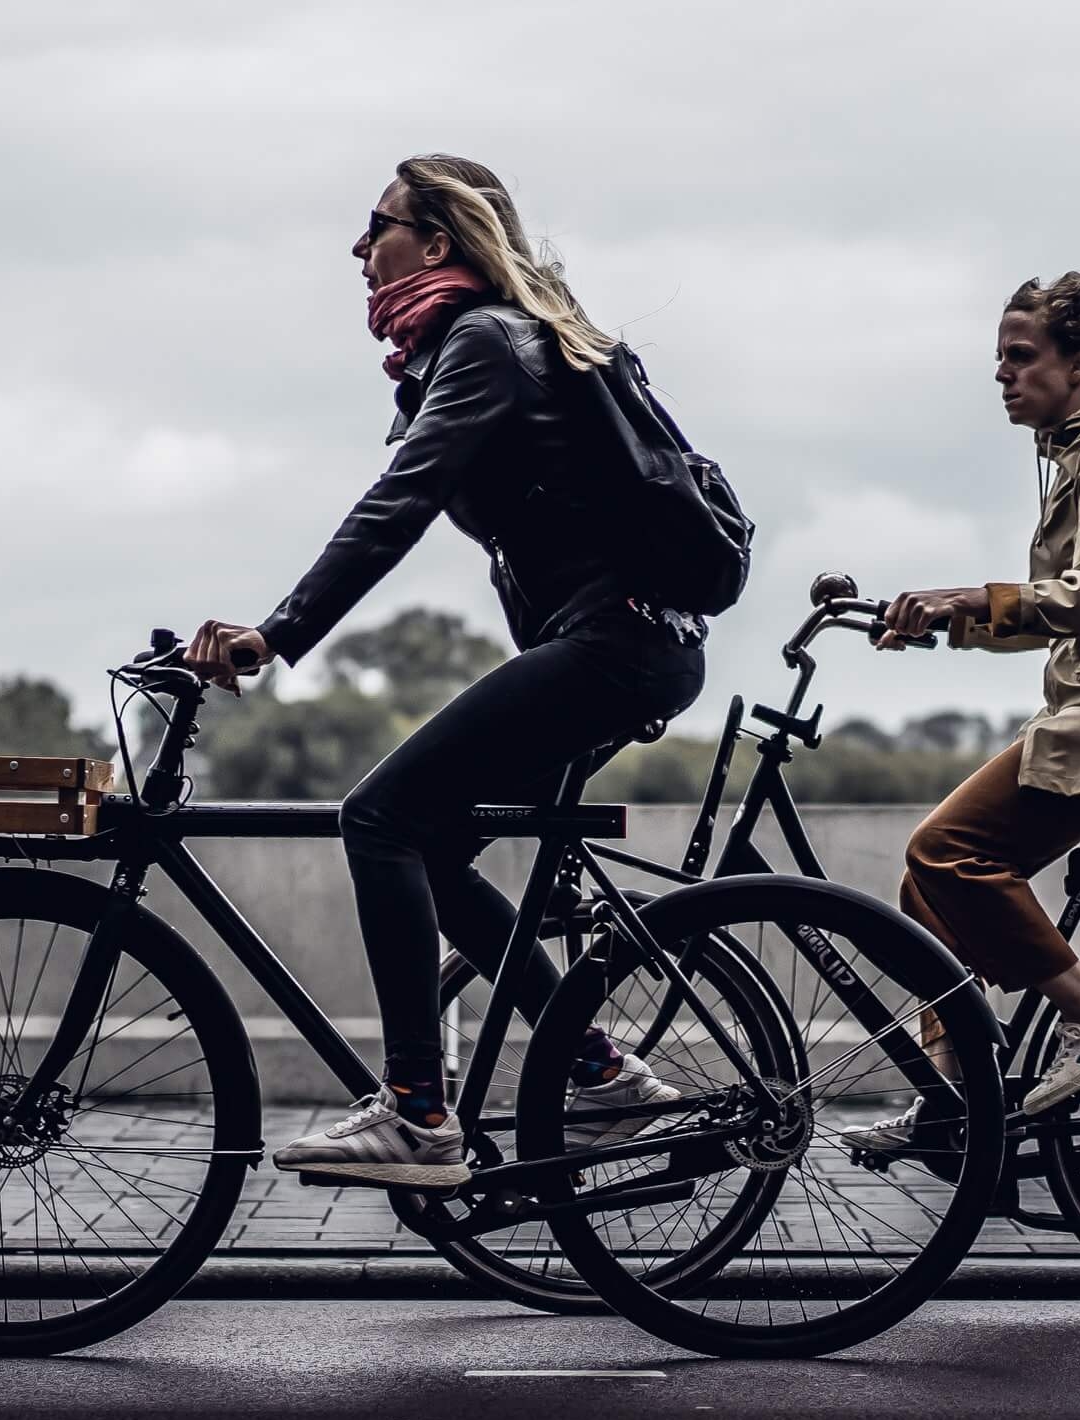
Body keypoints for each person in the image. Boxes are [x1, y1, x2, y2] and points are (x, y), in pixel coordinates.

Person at [182, 155, 706, 1189]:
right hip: (630, 643)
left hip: (613, 644)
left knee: (376, 815)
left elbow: (400, 502)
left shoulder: (483, 343)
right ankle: (596, 1071)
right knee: (427, 845)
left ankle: (419, 1112)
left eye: (373, 227)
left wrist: (276, 634)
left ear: (435, 242)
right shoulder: (487, 342)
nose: (355, 249)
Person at [852, 273, 1080, 1145]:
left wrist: (963, 596)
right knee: (926, 889)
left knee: (944, 851)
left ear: (1079, 362)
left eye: (1020, 357)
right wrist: (948, 620)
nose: (1002, 375)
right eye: (999, 360)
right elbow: (1059, 607)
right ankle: (952, 1101)